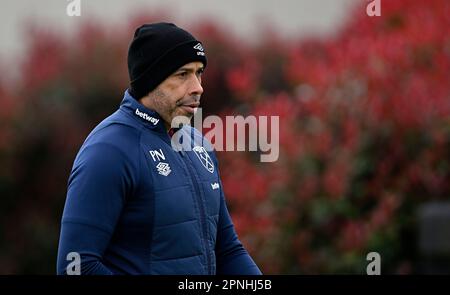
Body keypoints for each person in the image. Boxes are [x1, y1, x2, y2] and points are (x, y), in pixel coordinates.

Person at [57, 22, 262, 275]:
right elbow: (76, 266)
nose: (198, 86)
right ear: (150, 80)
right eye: (183, 74)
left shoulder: (199, 145)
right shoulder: (108, 150)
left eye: (199, 73)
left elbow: (228, 250)